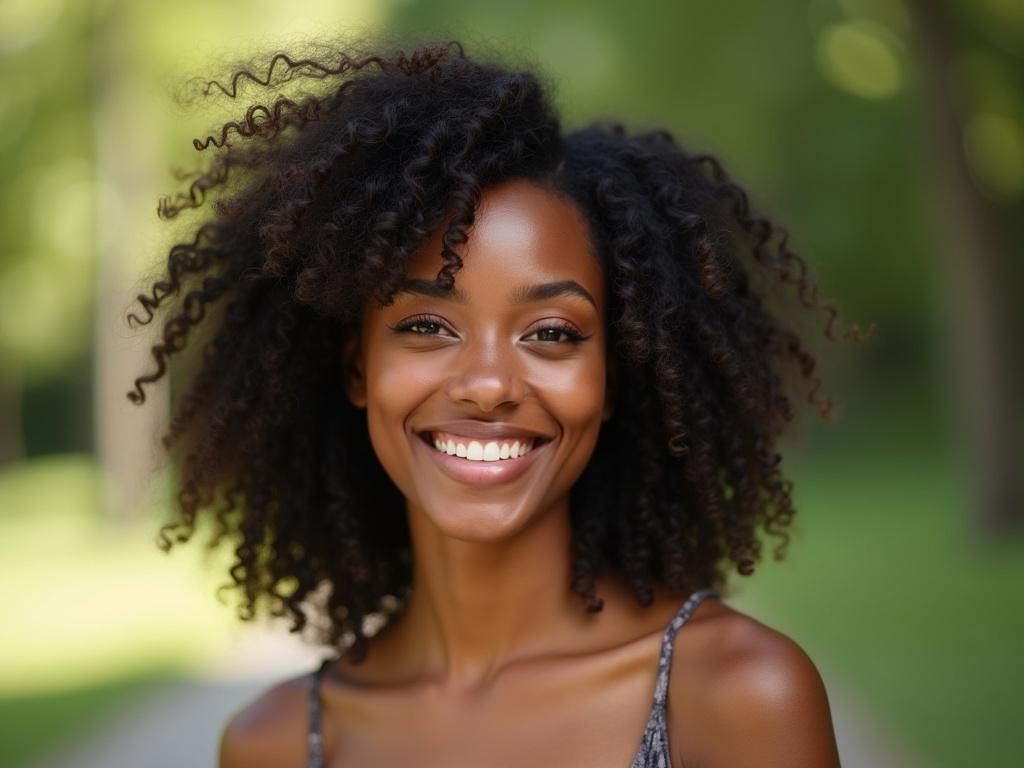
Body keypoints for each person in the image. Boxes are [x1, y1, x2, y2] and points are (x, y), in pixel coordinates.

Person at [127, 36, 862, 767]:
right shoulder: (277, 744)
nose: (487, 384)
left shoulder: (738, 698)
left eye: (550, 333)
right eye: (424, 325)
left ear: (610, 380)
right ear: (357, 369)